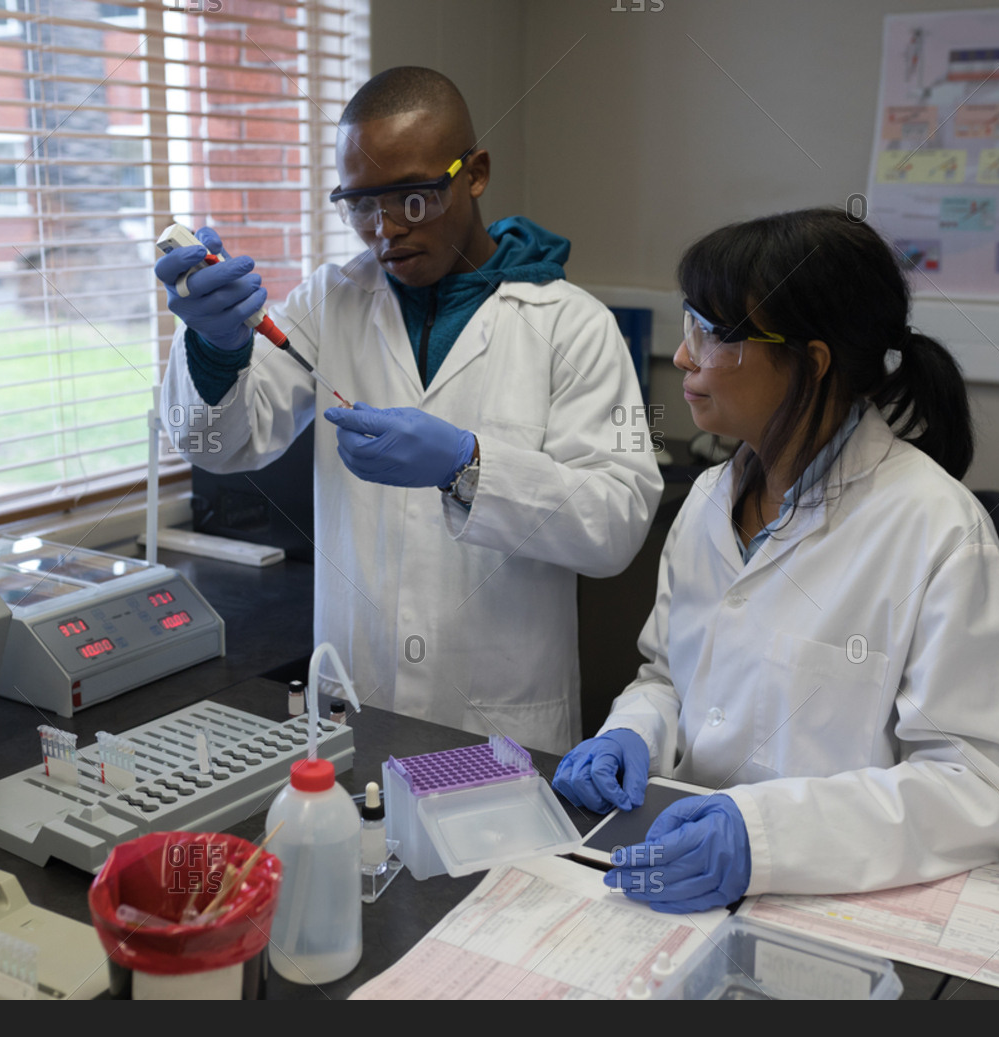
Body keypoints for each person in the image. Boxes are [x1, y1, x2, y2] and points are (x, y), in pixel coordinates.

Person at [552, 207, 999, 912]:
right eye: (688, 322)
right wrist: (634, 729)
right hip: (680, 871)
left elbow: (985, 787)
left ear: (812, 363)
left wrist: (767, 838)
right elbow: (668, 674)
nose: (685, 356)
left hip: (832, 900)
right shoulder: (708, 502)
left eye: (714, 333)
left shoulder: (937, 530)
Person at [157, 67, 662, 754]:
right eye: (360, 205)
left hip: (501, 724)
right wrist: (215, 347)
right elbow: (221, 444)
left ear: (475, 173)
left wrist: (469, 466)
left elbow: (614, 525)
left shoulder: (573, 326)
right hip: (355, 704)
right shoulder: (328, 302)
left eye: (413, 200)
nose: (384, 231)